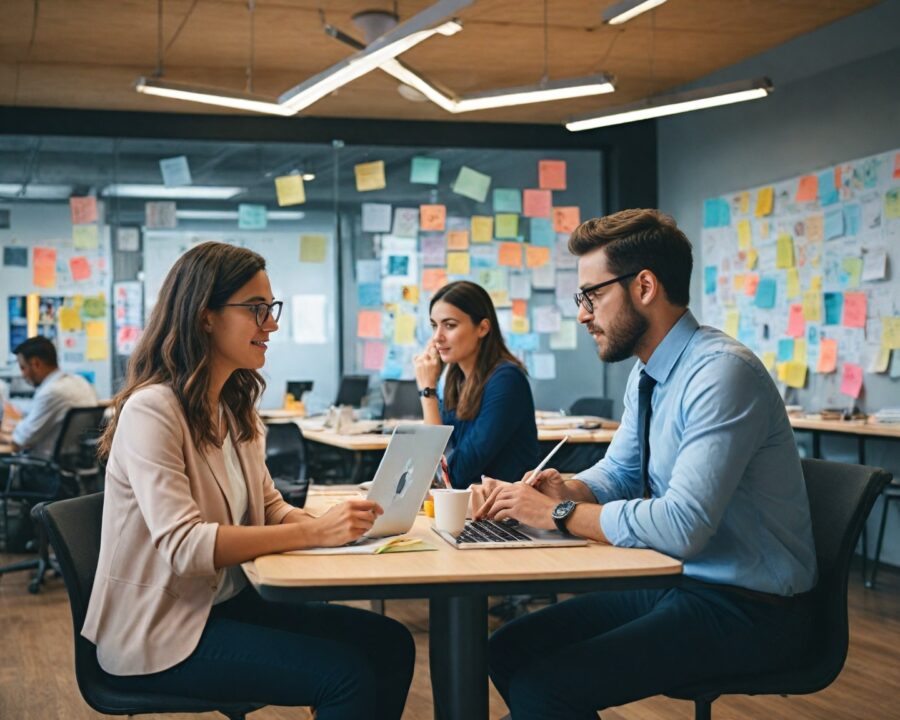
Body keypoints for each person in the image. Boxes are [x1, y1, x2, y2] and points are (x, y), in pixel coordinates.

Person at [477, 209, 818, 719]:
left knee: (547, 687)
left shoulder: (721, 374)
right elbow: (617, 474)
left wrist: (556, 516)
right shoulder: (649, 374)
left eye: (591, 296)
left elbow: (683, 526)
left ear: (644, 286)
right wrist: (565, 490)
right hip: (682, 583)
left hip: (753, 608)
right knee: (508, 648)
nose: (583, 314)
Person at [83, 242, 414, 719]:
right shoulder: (152, 411)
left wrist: (339, 531)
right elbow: (185, 546)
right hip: (159, 630)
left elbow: (270, 506)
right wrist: (313, 533)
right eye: (257, 310)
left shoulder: (232, 406)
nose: (272, 324)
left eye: (271, 308)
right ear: (205, 317)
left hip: (226, 604)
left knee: (390, 642)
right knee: (345, 674)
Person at [413, 280, 539, 488]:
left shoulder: (507, 380)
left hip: (506, 515)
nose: (437, 337)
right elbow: (437, 469)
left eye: (449, 325)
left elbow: (450, 476)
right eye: (434, 326)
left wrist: (427, 391)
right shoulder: (457, 380)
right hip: (472, 509)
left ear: (482, 328)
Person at [5, 336, 97, 457]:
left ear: (36, 364)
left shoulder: (52, 392)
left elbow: (21, 440)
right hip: (75, 464)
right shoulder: (81, 382)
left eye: (23, 367)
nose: (22, 375)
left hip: (45, 468)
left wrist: (6, 433)